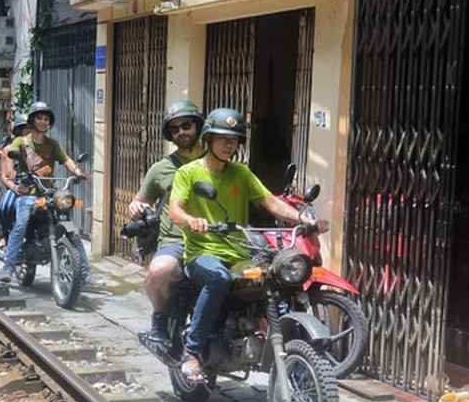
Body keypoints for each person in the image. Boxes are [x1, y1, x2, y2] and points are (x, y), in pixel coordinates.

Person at [168, 108, 329, 382]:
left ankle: (270, 340)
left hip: (238, 253)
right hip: (202, 253)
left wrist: (303, 218)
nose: (229, 144)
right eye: (222, 138)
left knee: (271, 277)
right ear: (209, 138)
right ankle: (192, 352)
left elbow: (272, 203)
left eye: (234, 139)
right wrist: (191, 220)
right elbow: (174, 210)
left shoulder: (241, 174)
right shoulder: (189, 173)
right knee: (218, 279)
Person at [128, 100, 205, 344]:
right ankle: (159, 316)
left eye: (186, 125)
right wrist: (136, 207)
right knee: (158, 272)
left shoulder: (216, 162)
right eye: (175, 129)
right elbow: (140, 200)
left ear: (198, 126)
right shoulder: (161, 169)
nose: (181, 132)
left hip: (215, 238)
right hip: (176, 239)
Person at [0, 101, 93, 284]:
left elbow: (67, 160)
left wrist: (78, 173)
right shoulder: (21, 141)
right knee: (21, 224)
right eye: (39, 117)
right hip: (29, 193)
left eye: (46, 118)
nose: (43, 121)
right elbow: (12, 153)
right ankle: (8, 267)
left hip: (49, 192)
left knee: (73, 231)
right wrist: (15, 161)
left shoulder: (52, 144)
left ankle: (85, 273)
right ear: (32, 120)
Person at [0, 113, 30, 253]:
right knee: (6, 206)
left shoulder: (39, 147)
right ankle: (5, 235)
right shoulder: (9, 149)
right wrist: (15, 187)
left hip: (37, 185)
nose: (28, 132)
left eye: (31, 128)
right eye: (25, 129)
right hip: (18, 185)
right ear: (19, 131)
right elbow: (7, 176)